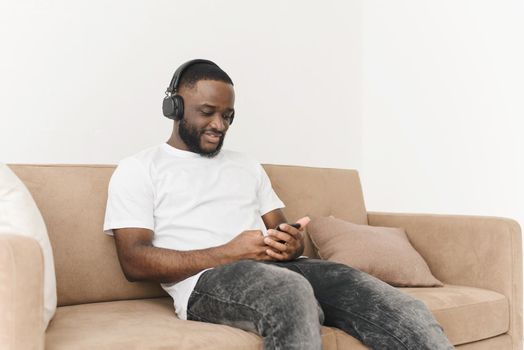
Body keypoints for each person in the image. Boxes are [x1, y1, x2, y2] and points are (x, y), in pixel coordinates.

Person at [103, 59, 453, 350]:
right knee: (290, 292)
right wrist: (230, 252)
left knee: (387, 299)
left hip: (279, 271)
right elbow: (134, 261)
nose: (218, 125)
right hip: (204, 283)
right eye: (207, 112)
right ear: (174, 108)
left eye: (228, 116)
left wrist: (291, 243)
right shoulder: (139, 169)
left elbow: (281, 230)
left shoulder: (246, 165)